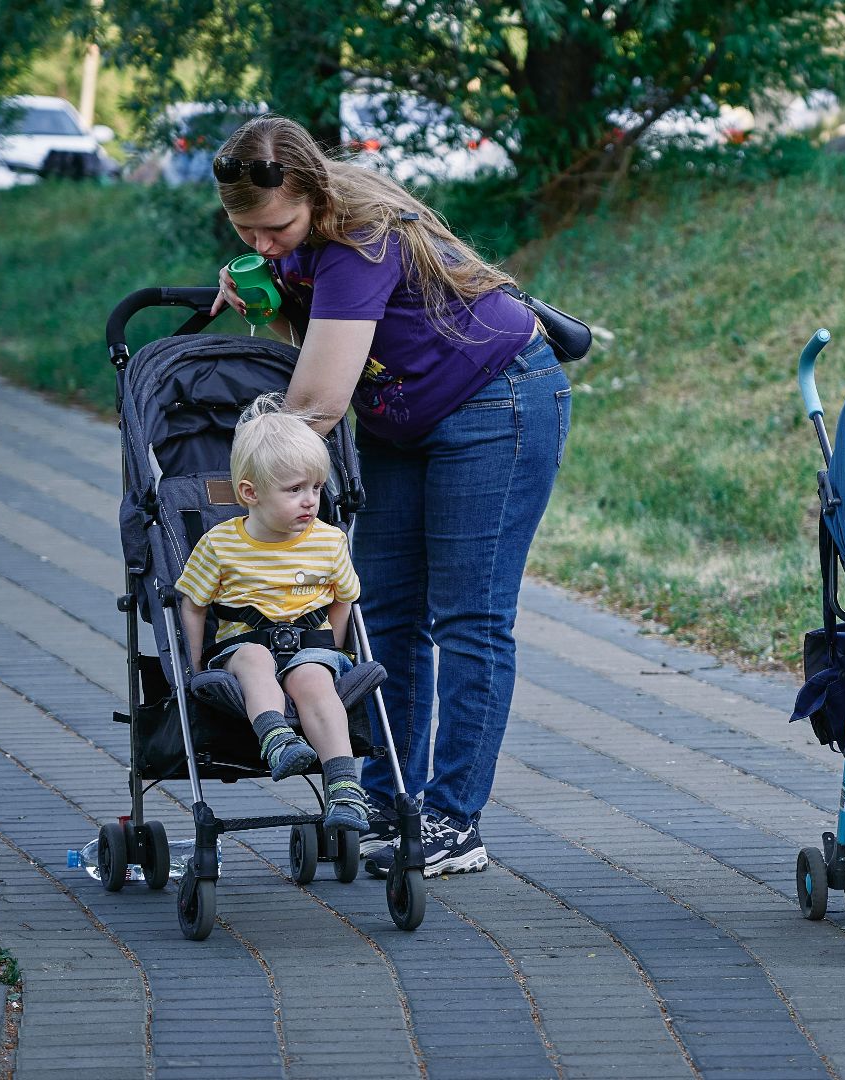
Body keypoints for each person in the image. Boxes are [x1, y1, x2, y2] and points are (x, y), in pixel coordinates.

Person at [209, 115, 570, 878]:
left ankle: (453, 818)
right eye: (245, 233)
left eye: (275, 228)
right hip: (404, 421)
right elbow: (305, 344)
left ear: (311, 194)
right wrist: (266, 295)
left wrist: (252, 493)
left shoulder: (359, 239)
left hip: (496, 402)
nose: (262, 244)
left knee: (469, 615)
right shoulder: (300, 244)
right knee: (388, 610)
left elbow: (315, 403)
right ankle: (389, 794)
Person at [175, 395, 374, 833]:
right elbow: (193, 603)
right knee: (253, 659)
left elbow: (344, 597)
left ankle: (344, 789)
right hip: (244, 646)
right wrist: (189, 666)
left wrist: (332, 649)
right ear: (250, 493)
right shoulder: (219, 545)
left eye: (317, 488)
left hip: (310, 645)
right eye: (295, 490)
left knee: (315, 680)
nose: (310, 502)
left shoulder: (328, 541)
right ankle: (277, 739)